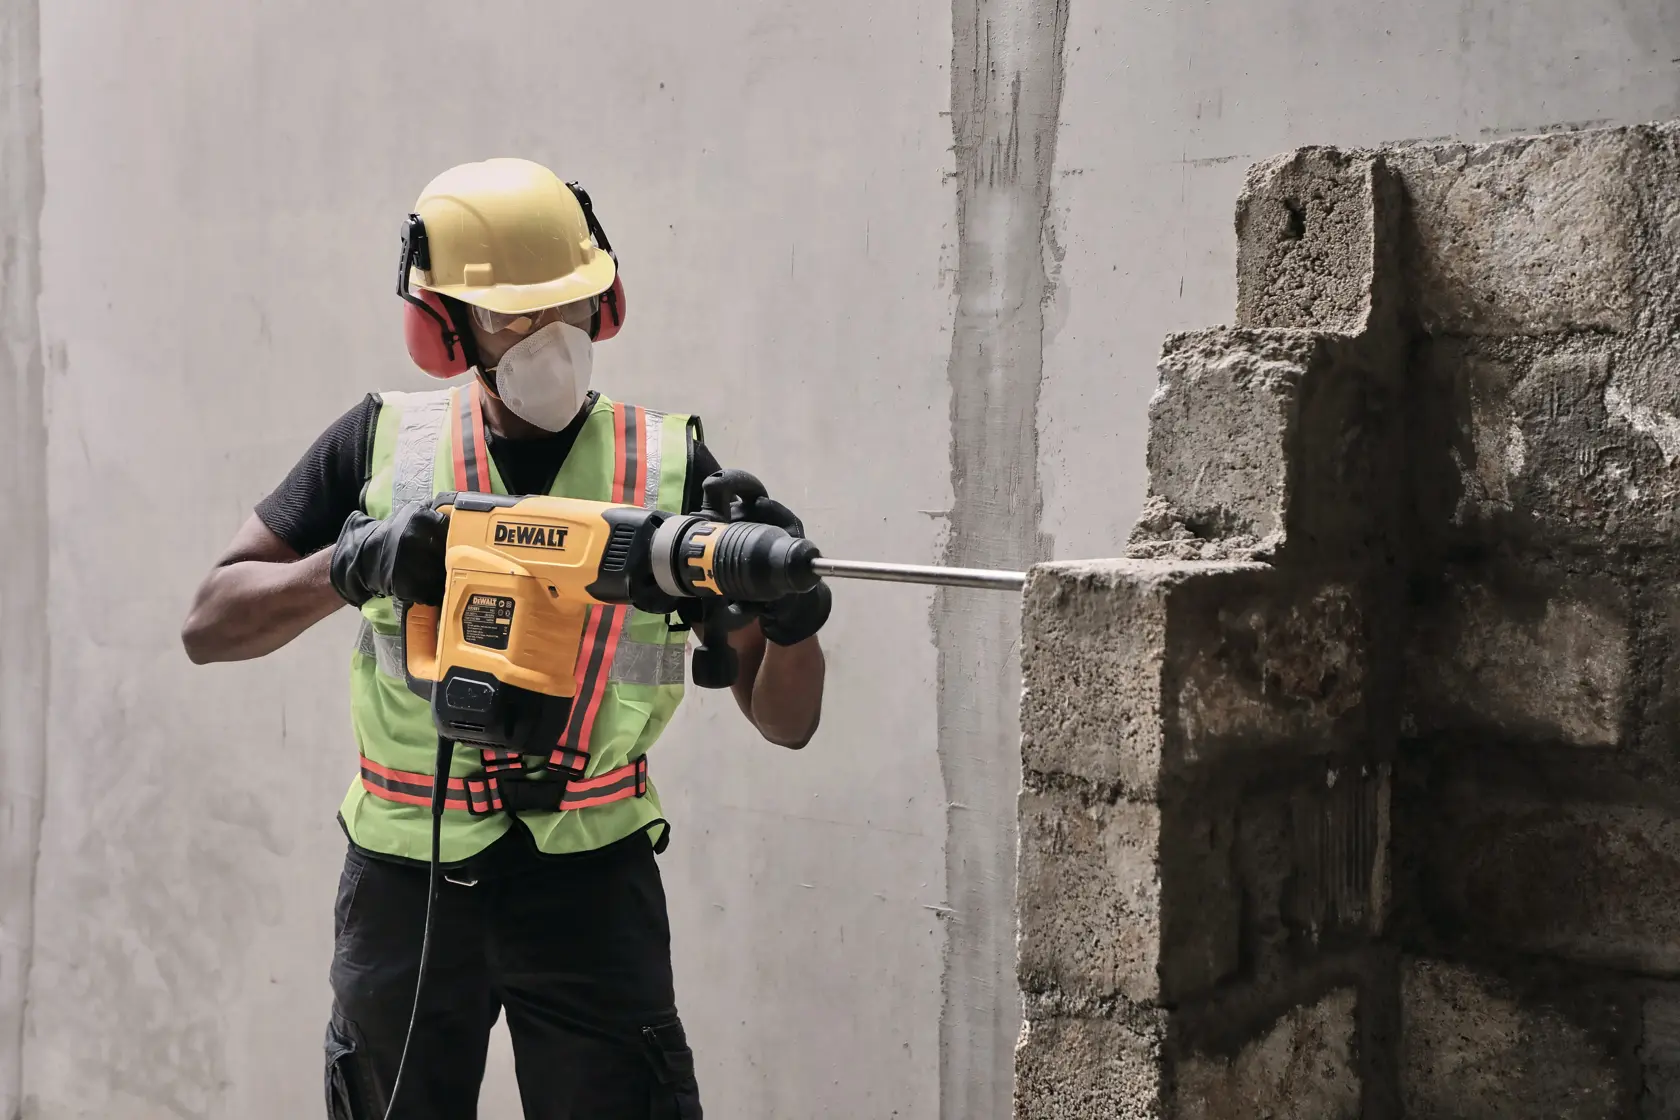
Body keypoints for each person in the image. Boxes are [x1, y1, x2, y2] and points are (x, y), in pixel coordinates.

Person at [180, 157, 830, 1120]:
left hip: (592, 883)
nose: (546, 341)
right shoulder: (378, 447)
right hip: (406, 883)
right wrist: (351, 564)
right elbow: (209, 625)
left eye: (567, 309)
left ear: (603, 304)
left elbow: (785, 722)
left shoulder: (669, 467)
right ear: (445, 326)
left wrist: (791, 624)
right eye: (509, 317)